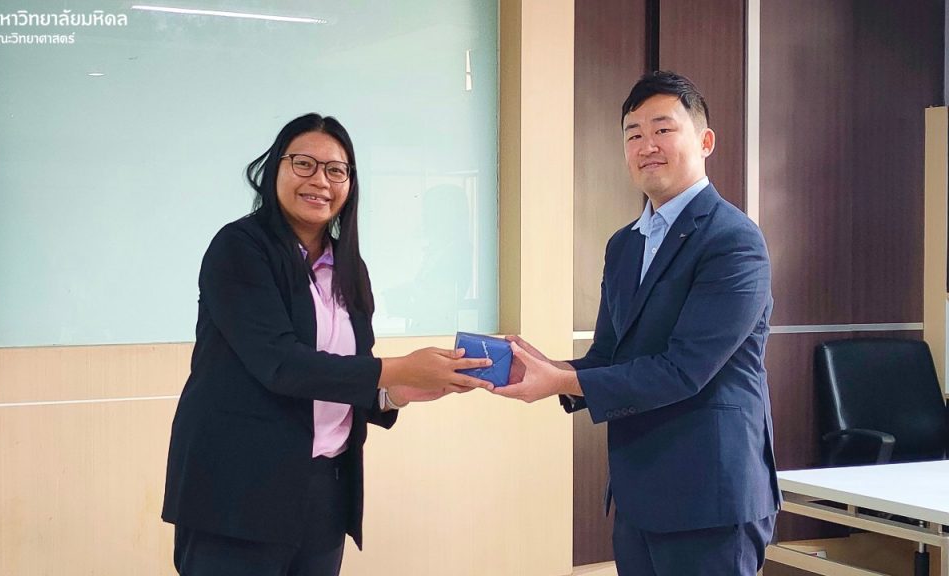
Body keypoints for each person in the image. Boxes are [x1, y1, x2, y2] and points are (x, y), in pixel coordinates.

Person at [161, 113, 493, 576]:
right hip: (237, 492)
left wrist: (396, 393)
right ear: (274, 169)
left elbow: (348, 371)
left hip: (324, 491)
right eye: (304, 164)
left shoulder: (349, 266)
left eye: (336, 170)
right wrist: (397, 368)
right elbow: (280, 364)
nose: (320, 181)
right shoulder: (239, 247)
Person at [496, 72, 780, 575]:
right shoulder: (624, 244)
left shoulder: (733, 239)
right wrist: (546, 366)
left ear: (705, 141)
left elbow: (684, 370)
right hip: (638, 493)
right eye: (633, 134)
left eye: (663, 129)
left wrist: (559, 382)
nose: (647, 146)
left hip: (710, 497)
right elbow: (609, 357)